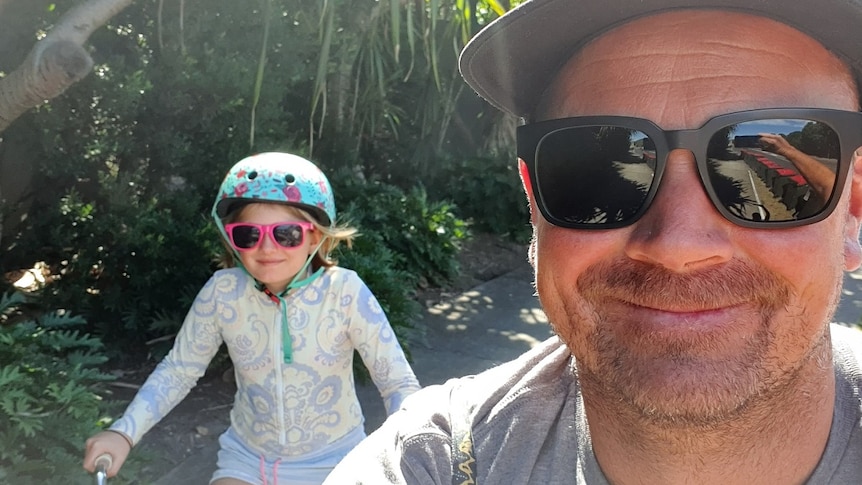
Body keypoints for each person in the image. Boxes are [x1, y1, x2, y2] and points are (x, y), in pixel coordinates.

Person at [323, 1, 862, 483]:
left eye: (754, 167)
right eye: (601, 170)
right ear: (534, 204)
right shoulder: (432, 464)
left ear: (854, 211)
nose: (676, 246)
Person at [83, 152, 420, 484]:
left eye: (286, 234)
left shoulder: (344, 291)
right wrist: (124, 433)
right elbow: (180, 369)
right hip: (248, 460)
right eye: (248, 235)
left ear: (314, 237)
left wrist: (412, 448)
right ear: (232, 239)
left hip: (337, 460)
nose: (267, 248)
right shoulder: (223, 291)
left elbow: (397, 383)